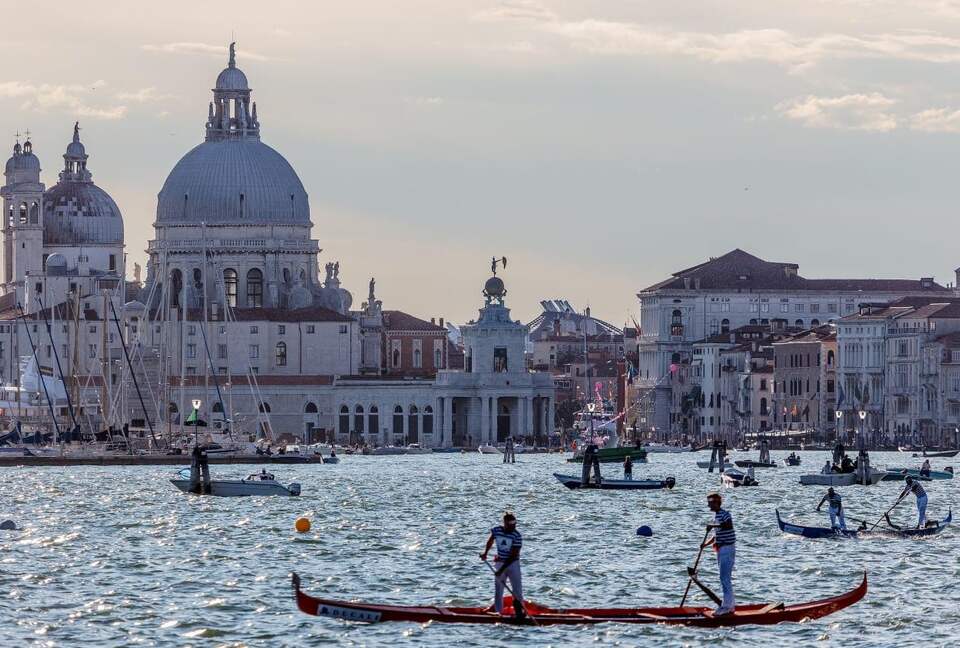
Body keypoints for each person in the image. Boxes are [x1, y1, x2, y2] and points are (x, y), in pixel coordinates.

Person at [480, 511, 525, 618]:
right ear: (505, 523)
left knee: (517, 589)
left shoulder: (517, 536)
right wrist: (485, 553)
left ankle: (519, 613)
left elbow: (513, 556)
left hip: (513, 564)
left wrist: (501, 570)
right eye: (511, 525)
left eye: (515, 524)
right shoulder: (497, 530)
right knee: (498, 589)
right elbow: (491, 540)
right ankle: (498, 612)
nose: (514, 527)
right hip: (500, 563)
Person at [703, 492, 736, 615]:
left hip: (727, 549)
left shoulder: (724, 514)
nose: (708, 505)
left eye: (710, 503)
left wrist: (712, 525)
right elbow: (716, 534)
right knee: (723, 578)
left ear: (716, 503)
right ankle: (729, 605)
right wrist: (705, 544)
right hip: (721, 549)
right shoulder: (717, 516)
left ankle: (727, 607)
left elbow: (728, 525)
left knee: (724, 578)